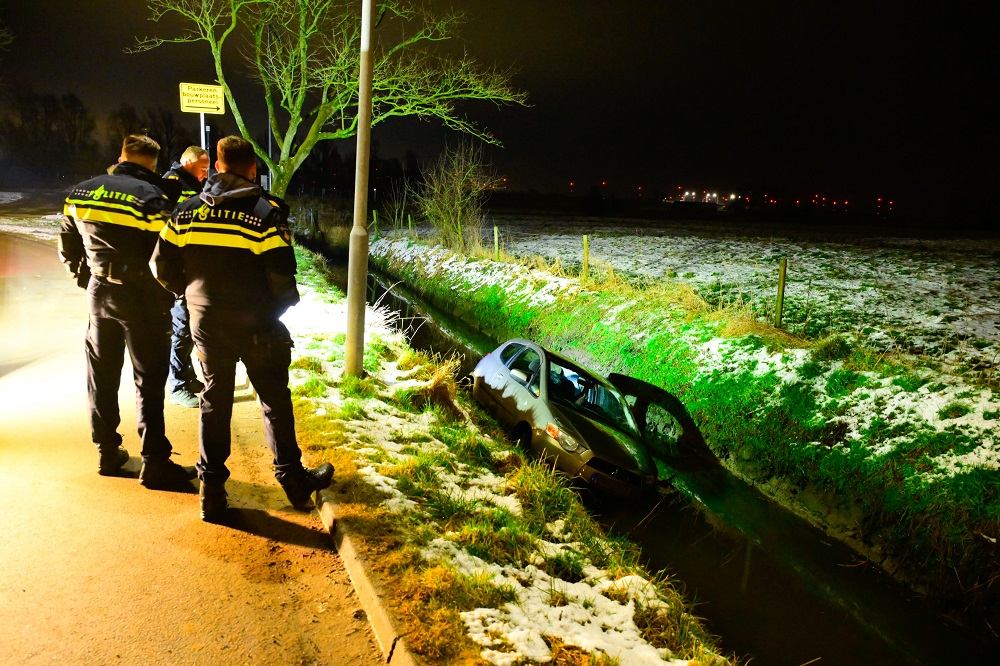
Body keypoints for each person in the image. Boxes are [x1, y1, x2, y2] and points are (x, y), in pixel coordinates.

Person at [151, 135, 333, 522]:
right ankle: (293, 481)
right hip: (256, 325)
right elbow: (283, 281)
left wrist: (190, 296)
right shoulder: (265, 214)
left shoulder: (185, 212)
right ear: (253, 168)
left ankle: (212, 492)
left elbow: (160, 267)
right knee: (274, 400)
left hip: (205, 322)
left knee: (214, 401)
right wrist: (272, 314)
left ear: (216, 166)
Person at [59, 134, 197, 488]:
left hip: (99, 293)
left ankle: (107, 451)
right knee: (148, 380)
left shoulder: (81, 192)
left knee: (101, 376)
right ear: (151, 162)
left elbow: (68, 247)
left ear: (122, 155)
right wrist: (174, 292)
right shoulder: (153, 199)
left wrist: (88, 279)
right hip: (143, 298)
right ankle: (154, 462)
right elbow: (168, 254)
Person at [162, 146, 210, 408]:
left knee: (188, 331)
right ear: (188, 162)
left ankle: (187, 377)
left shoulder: (192, 183)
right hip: (181, 267)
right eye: (202, 168)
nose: (205, 174)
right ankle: (177, 385)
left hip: (191, 265)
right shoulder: (172, 183)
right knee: (181, 330)